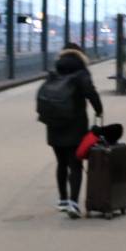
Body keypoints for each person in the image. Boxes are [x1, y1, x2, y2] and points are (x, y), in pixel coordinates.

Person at [38, 43, 103, 218]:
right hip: (76, 124)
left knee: (61, 163)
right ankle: (73, 203)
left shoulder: (55, 72)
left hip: (54, 124)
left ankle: (62, 200)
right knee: (75, 164)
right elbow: (91, 93)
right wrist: (99, 110)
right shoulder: (82, 73)